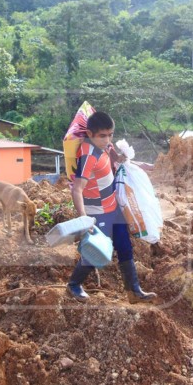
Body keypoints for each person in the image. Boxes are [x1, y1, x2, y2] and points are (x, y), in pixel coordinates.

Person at [66, 111, 156, 304]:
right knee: (98, 250)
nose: (107, 139)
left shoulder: (105, 147)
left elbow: (118, 161)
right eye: (103, 136)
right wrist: (84, 219)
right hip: (98, 213)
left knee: (125, 247)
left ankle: (134, 291)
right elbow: (77, 189)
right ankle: (74, 284)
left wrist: (140, 165)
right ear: (90, 134)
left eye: (110, 135)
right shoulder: (88, 155)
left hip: (113, 208)